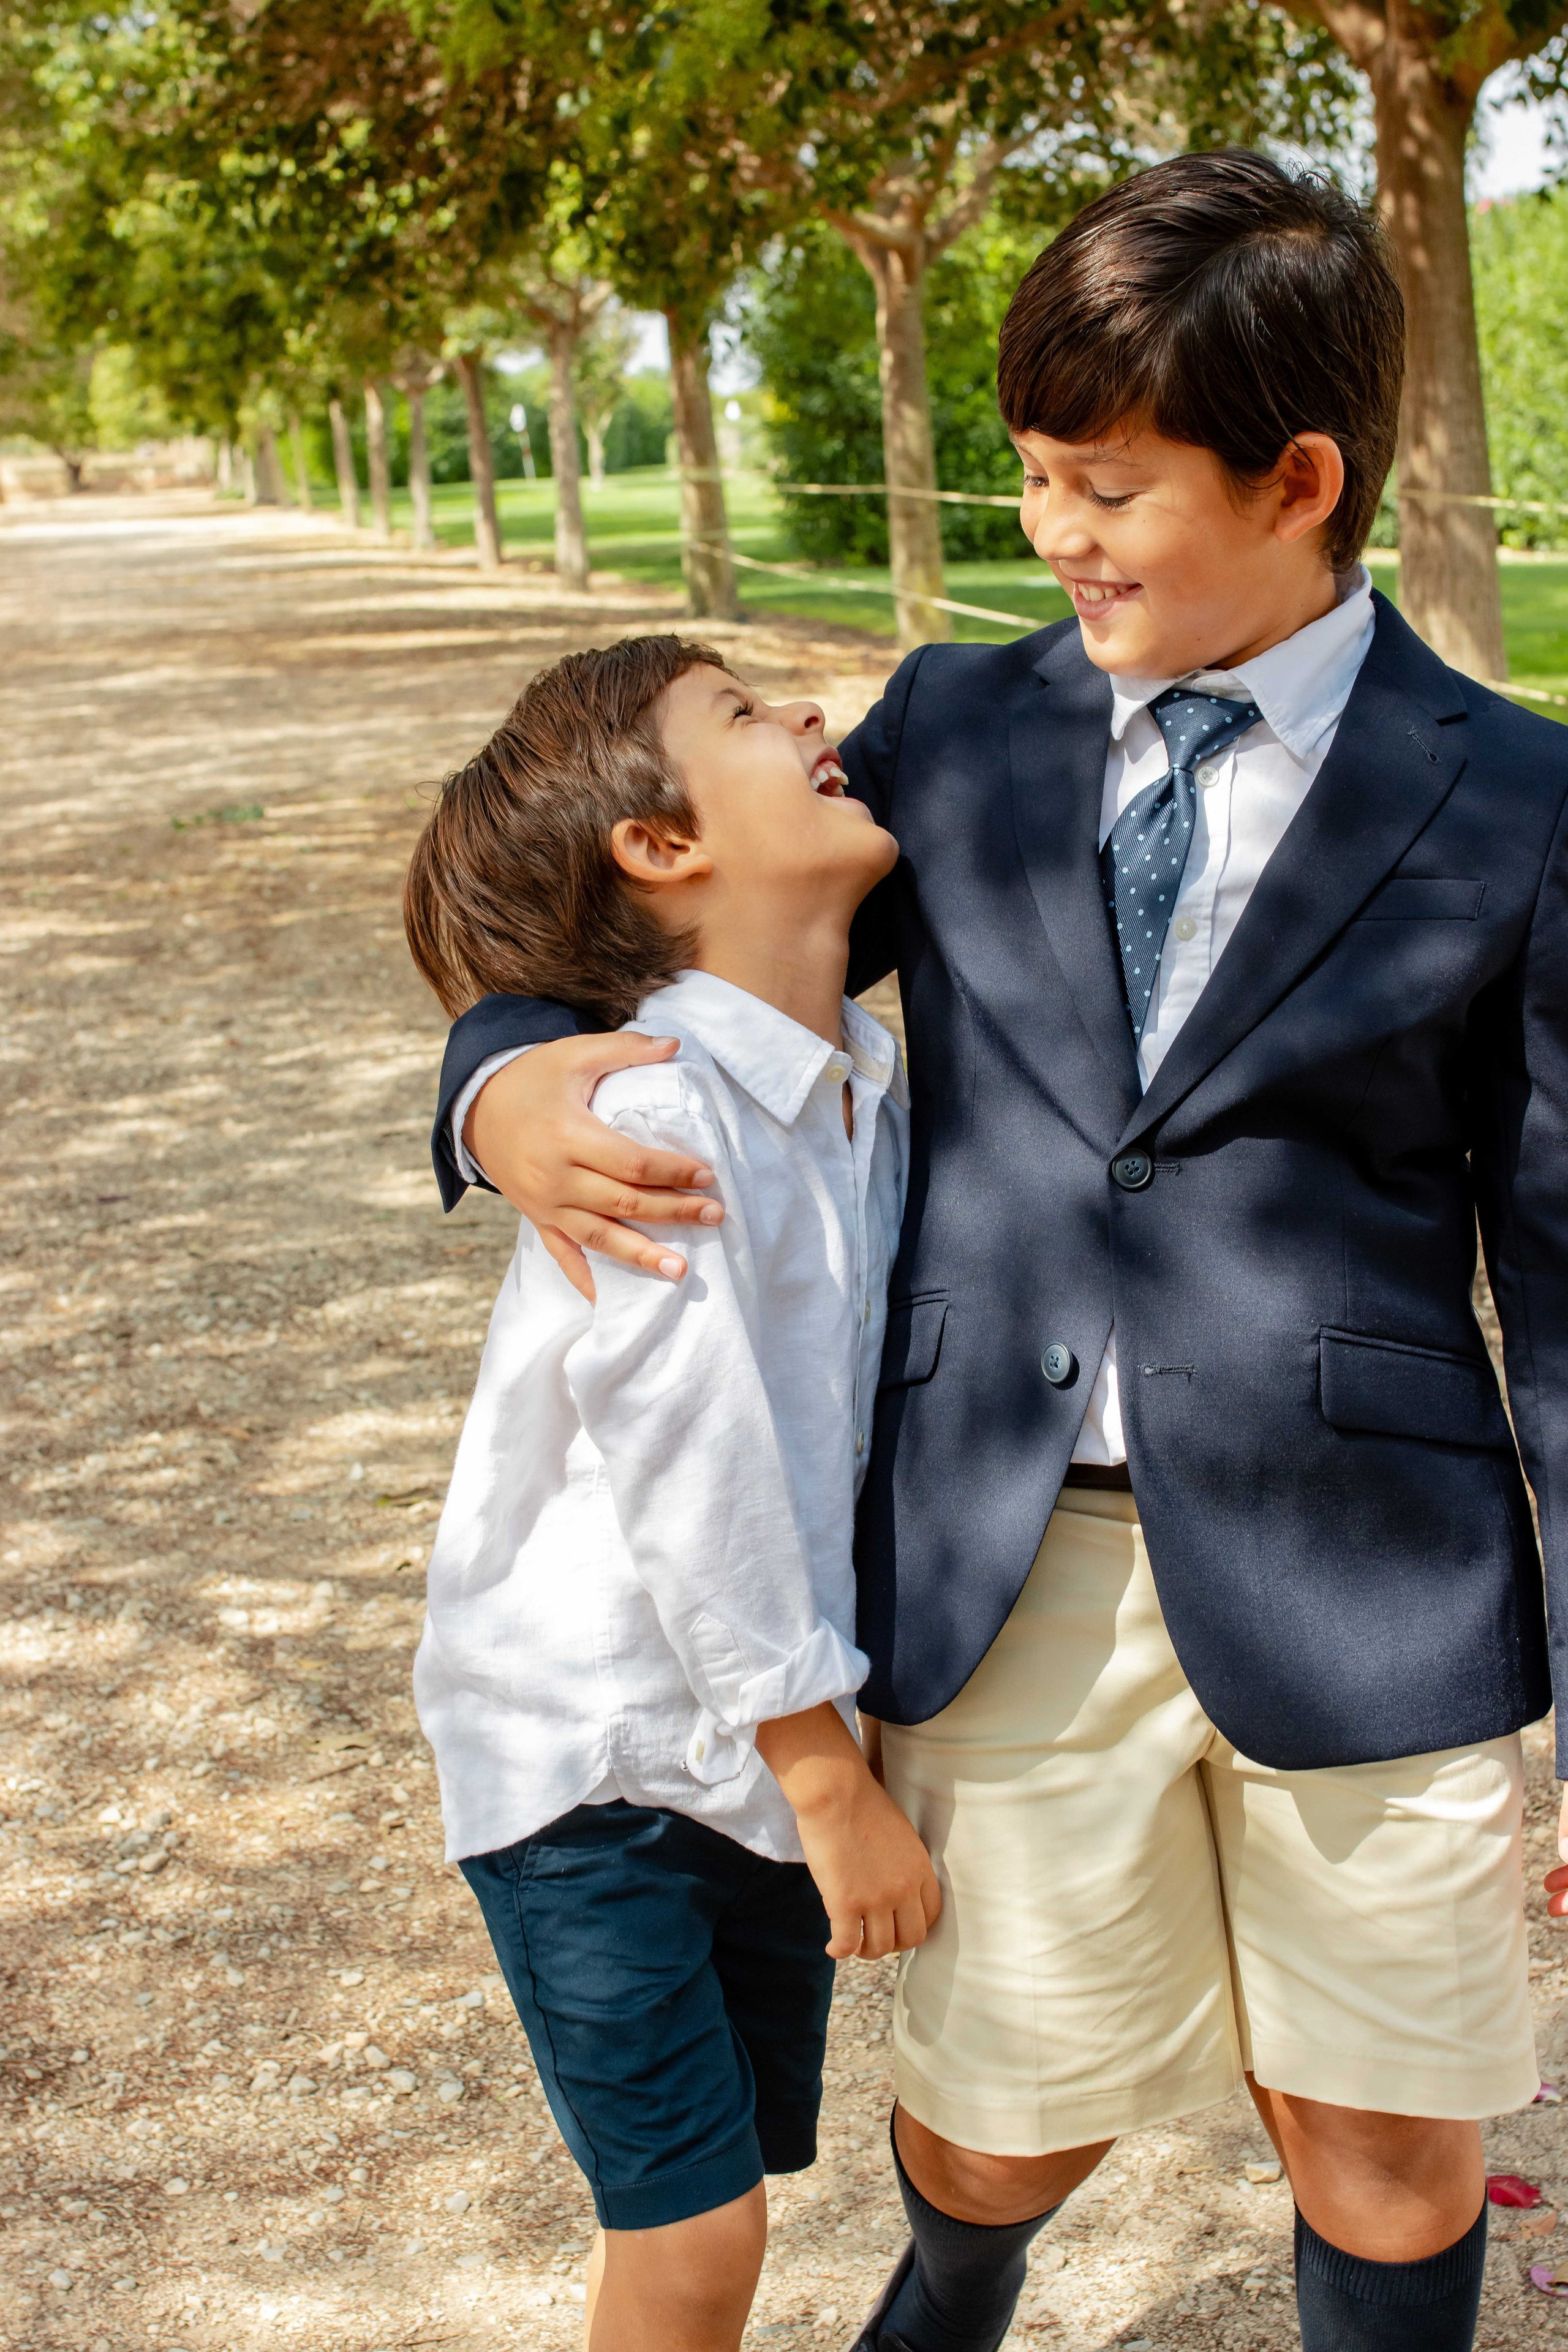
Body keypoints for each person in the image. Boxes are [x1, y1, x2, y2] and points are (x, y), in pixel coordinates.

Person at [427, 153, 1568, 2352]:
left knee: (1385, 2148)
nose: (1054, 530)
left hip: (1379, 1574)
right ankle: (939, 2311)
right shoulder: (954, 735)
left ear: (1301, 480)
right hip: (1009, 1559)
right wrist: (498, 1083)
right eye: (1035, 473)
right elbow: (645, 902)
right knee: (997, 2129)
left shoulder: (1519, 800)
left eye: (1108, 488)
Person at [402, 634, 941, 2352]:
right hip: (600, 1755)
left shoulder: (859, 1086)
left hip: (752, 1752)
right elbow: (697, 1471)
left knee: (727, 2196)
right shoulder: (656, 1119)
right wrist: (831, 1778)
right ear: (659, 845)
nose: (815, 713)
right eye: (745, 715)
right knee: (694, 2232)